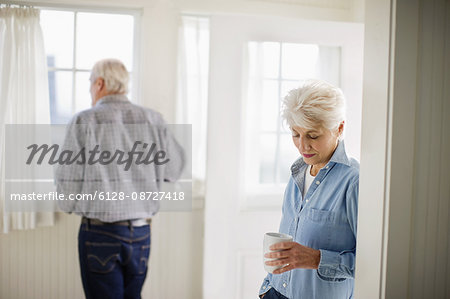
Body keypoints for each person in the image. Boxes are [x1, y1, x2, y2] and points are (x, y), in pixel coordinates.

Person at [56, 58, 184, 299]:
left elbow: (67, 186)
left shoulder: (84, 120)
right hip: (141, 233)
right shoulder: (153, 119)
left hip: (100, 232)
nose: (90, 89)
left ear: (100, 83)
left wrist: (71, 206)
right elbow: (174, 169)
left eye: (90, 83)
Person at [259, 80, 359, 299]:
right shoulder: (297, 172)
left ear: (339, 128)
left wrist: (317, 259)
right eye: (295, 134)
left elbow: (374, 263)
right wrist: (267, 288)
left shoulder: (354, 181)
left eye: (313, 136)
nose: (303, 146)